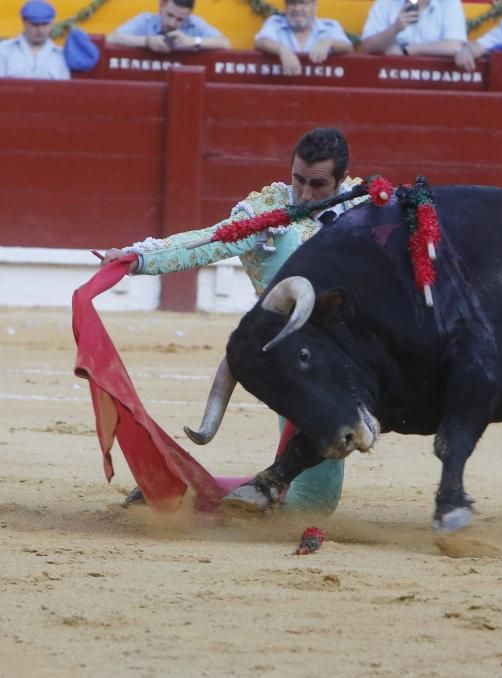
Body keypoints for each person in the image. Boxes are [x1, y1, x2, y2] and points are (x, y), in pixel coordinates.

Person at [100, 127, 368, 514]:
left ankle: (200, 488)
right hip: (292, 357)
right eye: (298, 180)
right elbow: (208, 242)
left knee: (314, 499)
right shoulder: (266, 216)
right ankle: (182, 491)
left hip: (351, 358)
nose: (305, 194)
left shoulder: (363, 207)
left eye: (318, 184)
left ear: (342, 179)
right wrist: (136, 259)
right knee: (312, 505)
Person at [254, 0, 353, 77]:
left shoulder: (330, 27)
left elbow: (348, 46)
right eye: (292, 3)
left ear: (315, 6)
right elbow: (261, 41)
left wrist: (329, 42)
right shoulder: (274, 23)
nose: (297, 8)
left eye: (303, 3)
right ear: (285, 7)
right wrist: (282, 50)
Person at [106, 0, 231, 53]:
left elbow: (225, 43)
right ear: (161, 5)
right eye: (169, 15)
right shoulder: (145, 20)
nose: (172, 23)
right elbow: (111, 38)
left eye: (180, 19)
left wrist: (193, 41)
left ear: (189, 15)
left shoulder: (194, 23)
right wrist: (147, 41)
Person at [359, 0, 467, 57]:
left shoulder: (448, 3)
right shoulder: (386, 3)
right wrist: (394, 29)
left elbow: (455, 45)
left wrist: (409, 50)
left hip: (433, 78)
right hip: (391, 75)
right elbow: (368, 46)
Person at [1, 1, 68, 79]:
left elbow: (65, 88)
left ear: (52, 23)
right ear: (24, 21)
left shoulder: (60, 56)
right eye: (35, 24)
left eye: (45, 24)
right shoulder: (4, 51)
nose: (40, 30)